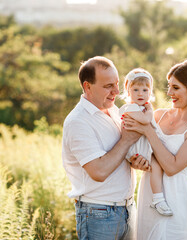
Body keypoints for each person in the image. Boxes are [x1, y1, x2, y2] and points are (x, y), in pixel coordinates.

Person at [123, 58, 187, 239]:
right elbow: (143, 150)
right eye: (169, 86)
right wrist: (138, 161)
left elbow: (173, 167)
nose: (169, 92)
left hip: (174, 197)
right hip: (149, 193)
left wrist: (148, 130)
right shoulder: (158, 115)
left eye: (176, 88)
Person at [62, 56, 150, 240]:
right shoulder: (78, 121)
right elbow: (99, 171)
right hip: (98, 214)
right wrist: (126, 140)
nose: (116, 91)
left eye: (117, 84)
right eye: (108, 86)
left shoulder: (113, 111)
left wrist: (134, 161)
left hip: (126, 209)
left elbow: (117, 155)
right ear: (87, 87)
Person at [119, 68, 173, 216]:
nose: (140, 94)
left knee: (157, 164)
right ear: (128, 91)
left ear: (150, 92)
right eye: (135, 90)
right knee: (156, 163)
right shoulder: (129, 108)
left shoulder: (141, 108)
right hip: (136, 147)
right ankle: (158, 199)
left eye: (145, 90)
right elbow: (146, 120)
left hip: (143, 143)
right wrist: (149, 109)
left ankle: (158, 197)